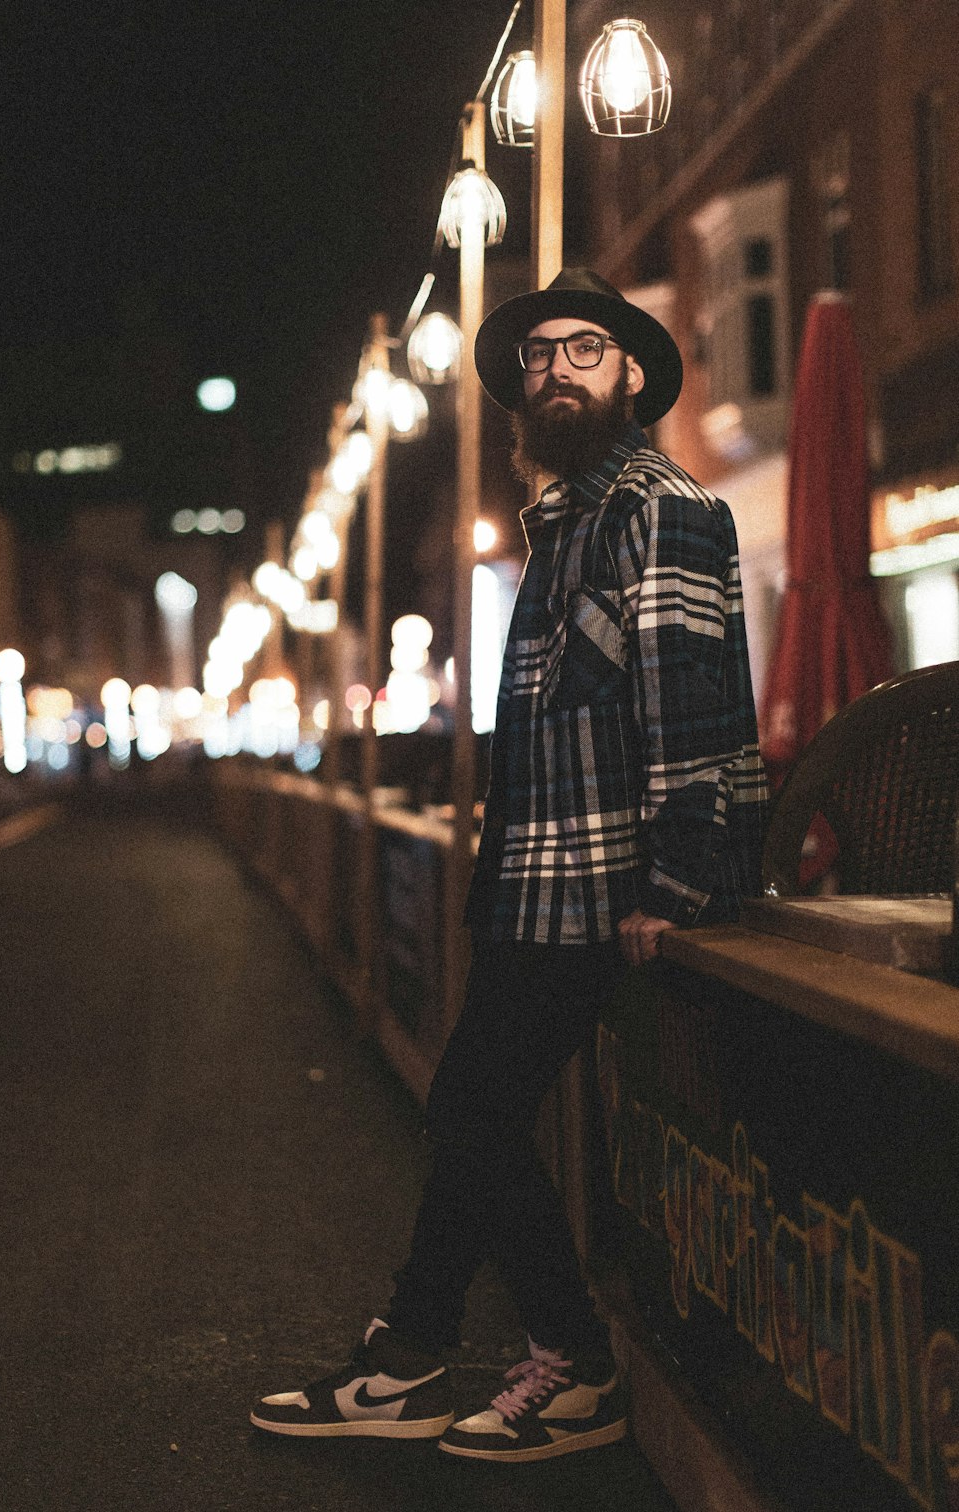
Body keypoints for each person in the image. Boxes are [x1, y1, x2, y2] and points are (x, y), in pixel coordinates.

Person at [251, 269, 769, 1463]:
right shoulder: (564, 526)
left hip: (610, 888)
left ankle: (466, 1357)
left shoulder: (664, 506)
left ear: (633, 375)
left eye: (584, 352)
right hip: (539, 883)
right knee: (475, 1107)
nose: (555, 373)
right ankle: (500, 1356)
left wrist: (677, 884)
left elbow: (693, 702)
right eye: (538, 360)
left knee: (472, 1106)